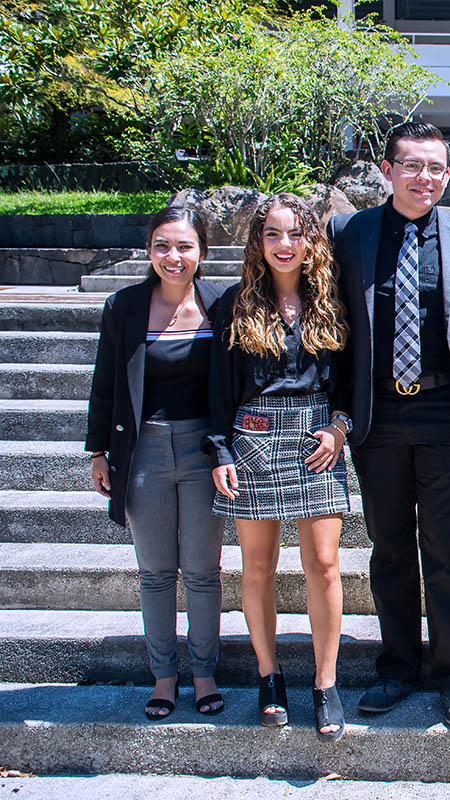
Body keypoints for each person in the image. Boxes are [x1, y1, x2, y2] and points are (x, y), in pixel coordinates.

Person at [328, 121, 450, 727]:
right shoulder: (350, 232)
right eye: (413, 166)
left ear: (448, 175)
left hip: (447, 409)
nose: (425, 178)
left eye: (436, 169)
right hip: (378, 414)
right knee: (391, 547)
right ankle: (397, 667)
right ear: (387, 170)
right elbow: (336, 324)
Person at [208, 193, 351, 742]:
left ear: (311, 241)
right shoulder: (232, 307)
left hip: (317, 439)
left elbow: (349, 381)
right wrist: (220, 449)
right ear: (257, 241)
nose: (284, 245)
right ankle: (270, 678)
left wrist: (339, 428)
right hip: (252, 441)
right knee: (258, 567)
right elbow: (218, 387)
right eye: (272, 233)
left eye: (295, 234)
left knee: (324, 563)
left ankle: (325, 682)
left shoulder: (331, 303)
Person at [86, 206, 225, 721]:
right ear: (149, 251)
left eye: (185, 246)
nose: (174, 256)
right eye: (163, 246)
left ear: (202, 253)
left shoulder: (221, 304)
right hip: (140, 449)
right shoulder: (123, 307)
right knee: (156, 572)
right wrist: (98, 451)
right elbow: (105, 382)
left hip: (203, 452)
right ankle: (164, 676)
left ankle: (204, 672)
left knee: (204, 570)